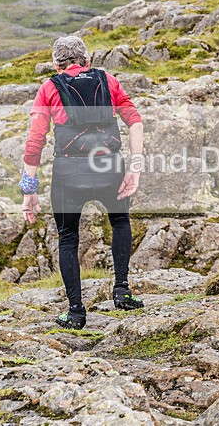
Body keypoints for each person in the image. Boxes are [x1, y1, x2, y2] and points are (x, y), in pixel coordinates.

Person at [20, 36, 145, 329]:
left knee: (67, 238)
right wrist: (134, 168)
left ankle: (76, 312)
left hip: (69, 174)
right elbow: (135, 121)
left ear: (56, 64)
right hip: (111, 167)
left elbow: (35, 140)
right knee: (120, 221)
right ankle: (123, 291)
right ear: (87, 61)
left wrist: (29, 190)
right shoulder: (109, 81)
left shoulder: (49, 88)